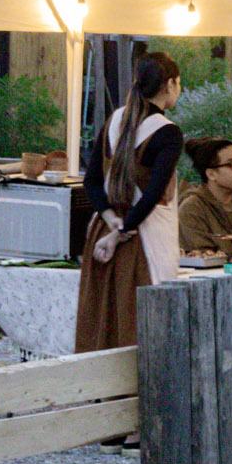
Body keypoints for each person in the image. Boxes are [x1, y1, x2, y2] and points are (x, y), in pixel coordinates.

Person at [75, 51, 183, 356]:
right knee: (143, 327)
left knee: (102, 323)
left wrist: (111, 223)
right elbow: (152, 196)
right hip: (142, 241)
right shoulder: (168, 132)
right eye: (179, 83)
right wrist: (122, 230)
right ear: (170, 85)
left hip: (104, 235)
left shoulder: (114, 119)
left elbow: (91, 181)